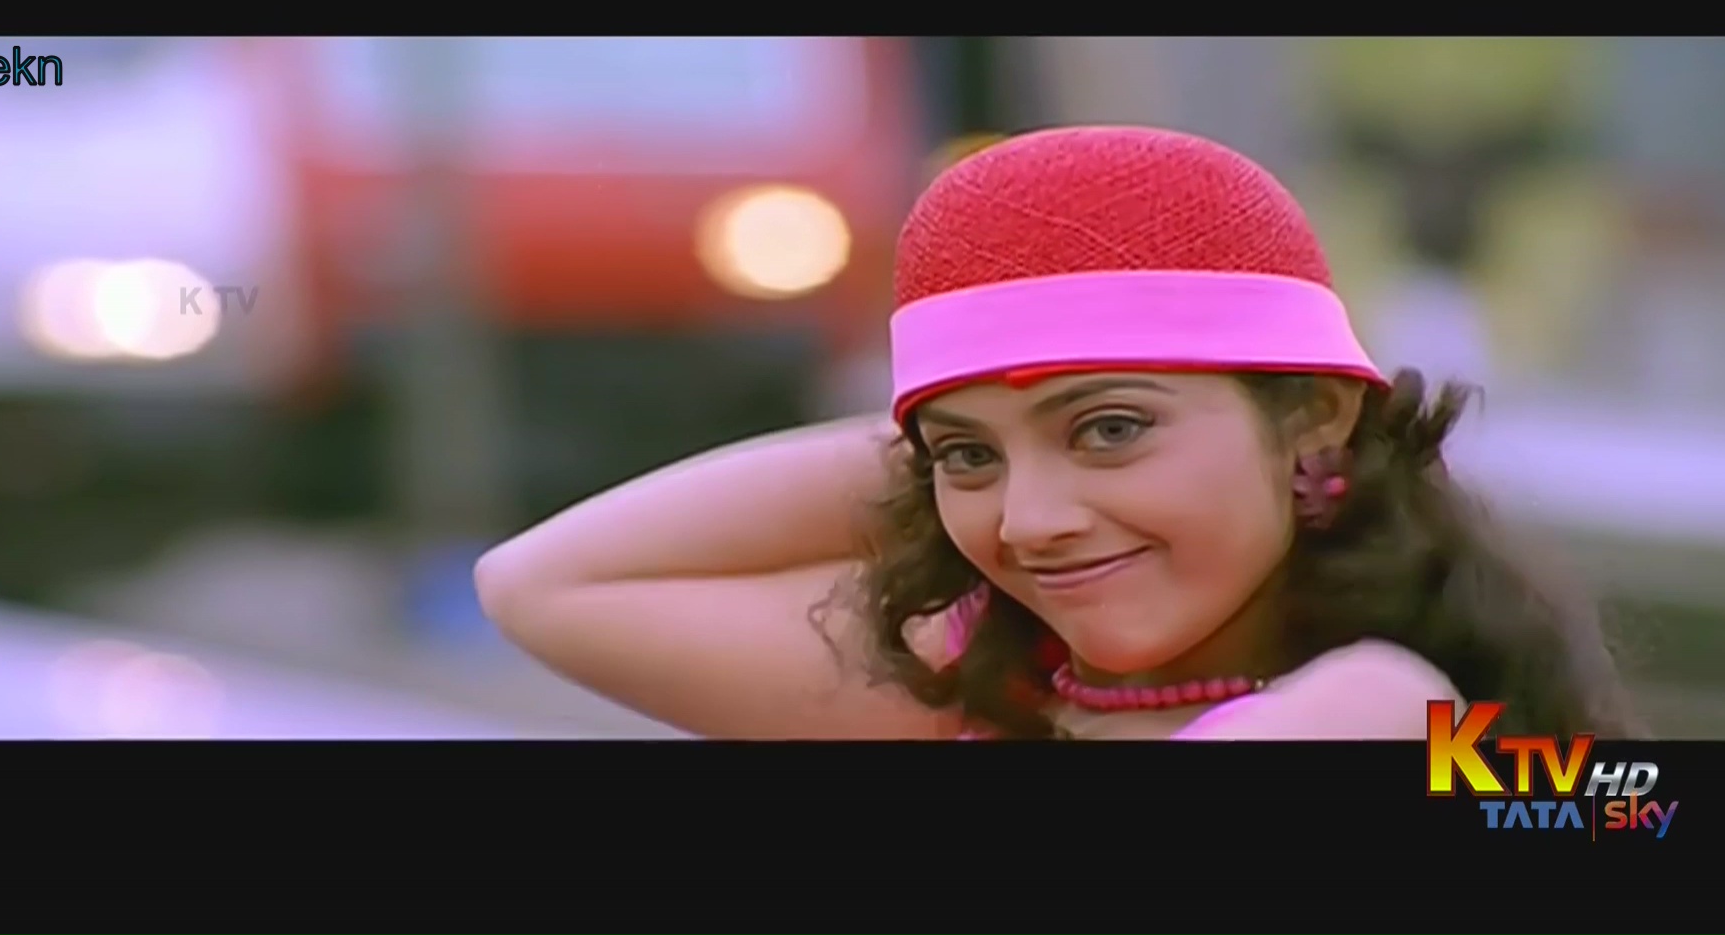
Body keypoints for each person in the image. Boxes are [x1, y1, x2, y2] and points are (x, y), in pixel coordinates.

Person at [475, 126, 1641, 741]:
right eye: (968, 457)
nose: (1029, 522)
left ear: (1312, 416)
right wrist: (944, 423)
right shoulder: (972, 704)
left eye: (1111, 428)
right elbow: (542, 583)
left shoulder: (1411, 726)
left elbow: (1628, 814)